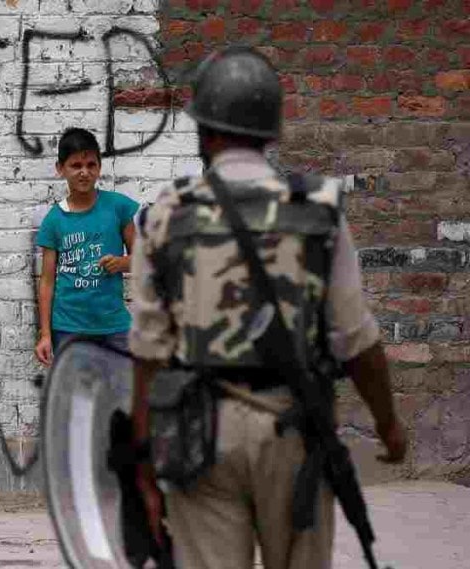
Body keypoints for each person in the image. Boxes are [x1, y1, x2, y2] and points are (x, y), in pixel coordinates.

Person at [127, 47, 408, 569]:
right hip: (295, 430)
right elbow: (357, 339)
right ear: (272, 132)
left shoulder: (167, 213)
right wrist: (388, 423)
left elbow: (148, 347)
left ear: (204, 132)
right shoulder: (318, 209)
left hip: (197, 435)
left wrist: (142, 456)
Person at [34, 127, 140, 366]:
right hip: (69, 328)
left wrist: (123, 262)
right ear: (60, 169)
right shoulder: (54, 220)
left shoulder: (118, 207)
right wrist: (45, 334)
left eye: (91, 165)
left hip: (114, 327)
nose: (84, 172)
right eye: (75, 166)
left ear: (99, 167)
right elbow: (47, 281)